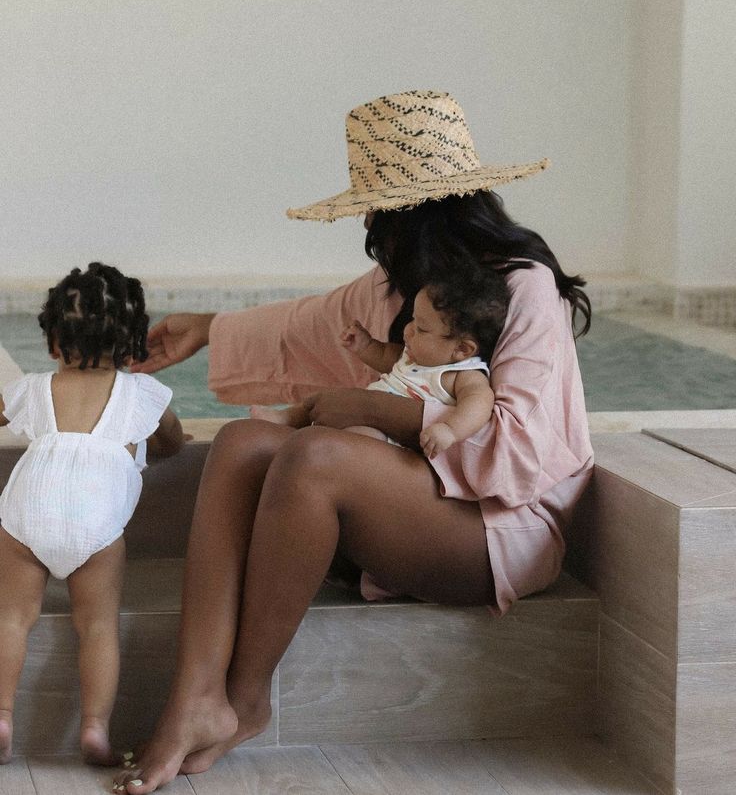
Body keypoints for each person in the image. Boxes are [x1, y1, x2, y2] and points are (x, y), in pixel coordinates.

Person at [113, 90, 594, 794]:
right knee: (244, 442)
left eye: (374, 208)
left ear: (412, 216)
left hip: (500, 529)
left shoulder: (524, 292)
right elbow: (303, 325)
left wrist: (372, 410)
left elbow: (517, 452)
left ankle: (243, 699)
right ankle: (194, 697)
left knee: (315, 453)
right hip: (421, 506)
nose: (366, 222)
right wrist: (207, 327)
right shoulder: (396, 292)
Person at [0, 263, 185, 767]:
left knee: (11, 618)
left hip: (27, 512)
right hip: (96, 524)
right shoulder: (144, 396)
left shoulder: (33, 388)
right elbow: (170, 442)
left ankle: (1, 715)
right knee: (99, 625)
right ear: (132, 347)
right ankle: (94, 729)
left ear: (53, 343)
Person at [251, 266, 509, 460]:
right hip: (363, 412)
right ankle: (285, 417)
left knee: (357, 440)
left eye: (421, 328)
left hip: (390, 439)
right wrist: (364, 346)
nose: (408, 330)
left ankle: (311, 450)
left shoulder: (462, 375)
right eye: (412, 320)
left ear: (462, 349)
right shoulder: (415, 356)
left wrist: (450, 431)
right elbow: (386, 357)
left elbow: (480, 404)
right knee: (322, 398)